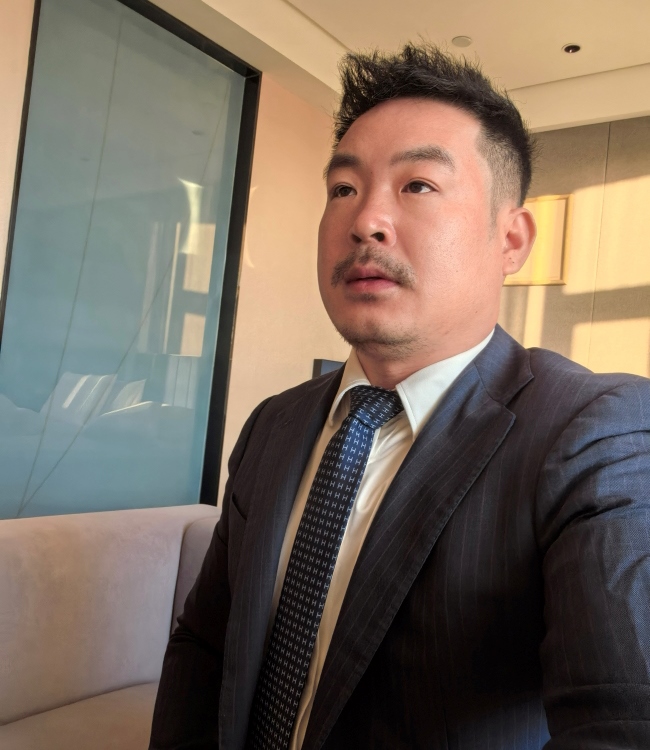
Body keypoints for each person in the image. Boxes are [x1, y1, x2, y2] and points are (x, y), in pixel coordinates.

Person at [150, 45, 650, 750]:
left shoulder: (593, 433)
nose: (366, 221)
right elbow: (204, 646)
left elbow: (623, 718)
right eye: (343, 189)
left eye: (417, 185)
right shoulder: (275, 422)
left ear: (511, 239)